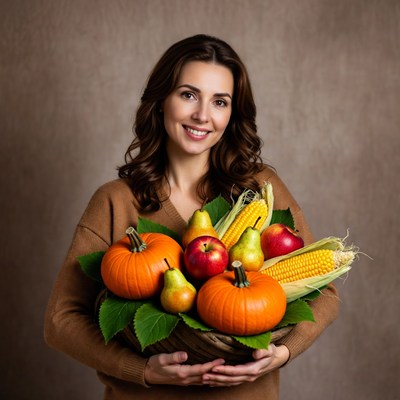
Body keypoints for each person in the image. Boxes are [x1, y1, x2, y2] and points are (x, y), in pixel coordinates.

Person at [44, 34, 339, 399]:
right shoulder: (115, 202)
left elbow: (323, 289)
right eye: (188, 95)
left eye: (220, 101)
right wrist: (144, 370)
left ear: (233, 114)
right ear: (161, 100)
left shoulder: (260, 189)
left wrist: (281, 353)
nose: (203, 115)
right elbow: (61, 321)